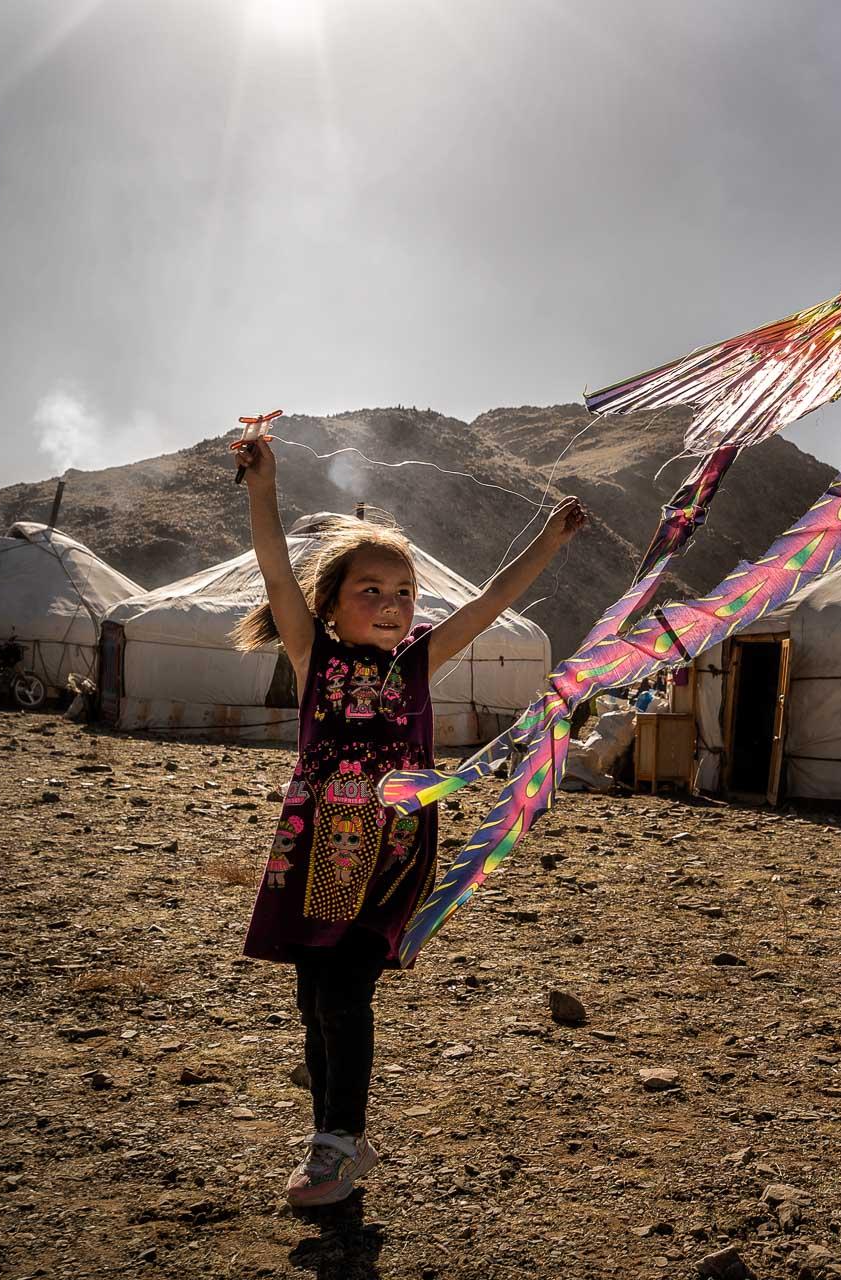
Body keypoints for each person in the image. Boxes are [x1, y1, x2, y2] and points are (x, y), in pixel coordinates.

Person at [228, 433, 588, 1208]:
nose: (392, 605)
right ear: (333, 603)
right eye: (372, 591)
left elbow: (493, 599)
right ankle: (335, 1134)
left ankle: (337, 1144)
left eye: (403, 591)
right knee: (313, 998)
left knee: (345, 990)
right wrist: (264, 489)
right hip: (318, 846)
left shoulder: (419, 661)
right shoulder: (312, 655)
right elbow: (275, 572)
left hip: (391, 850)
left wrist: (549, 542)